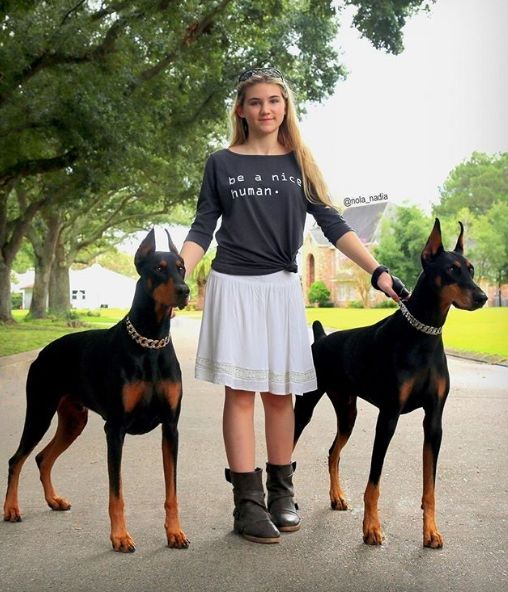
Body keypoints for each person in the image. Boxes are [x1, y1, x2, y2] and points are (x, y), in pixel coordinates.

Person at [180, 67, 401, 545]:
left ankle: (282, 495)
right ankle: (248, 504)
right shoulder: (220, 163)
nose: (266, 110)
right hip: (233, 285)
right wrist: (178, 269)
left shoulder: (298, 161)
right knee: (240, 395)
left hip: (281, 287)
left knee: (281, 395)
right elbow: (203, 228)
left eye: (274, 101)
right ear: (241, 109)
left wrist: (378, 271)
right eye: (256, 101)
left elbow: (333, 223)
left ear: (285, 107)